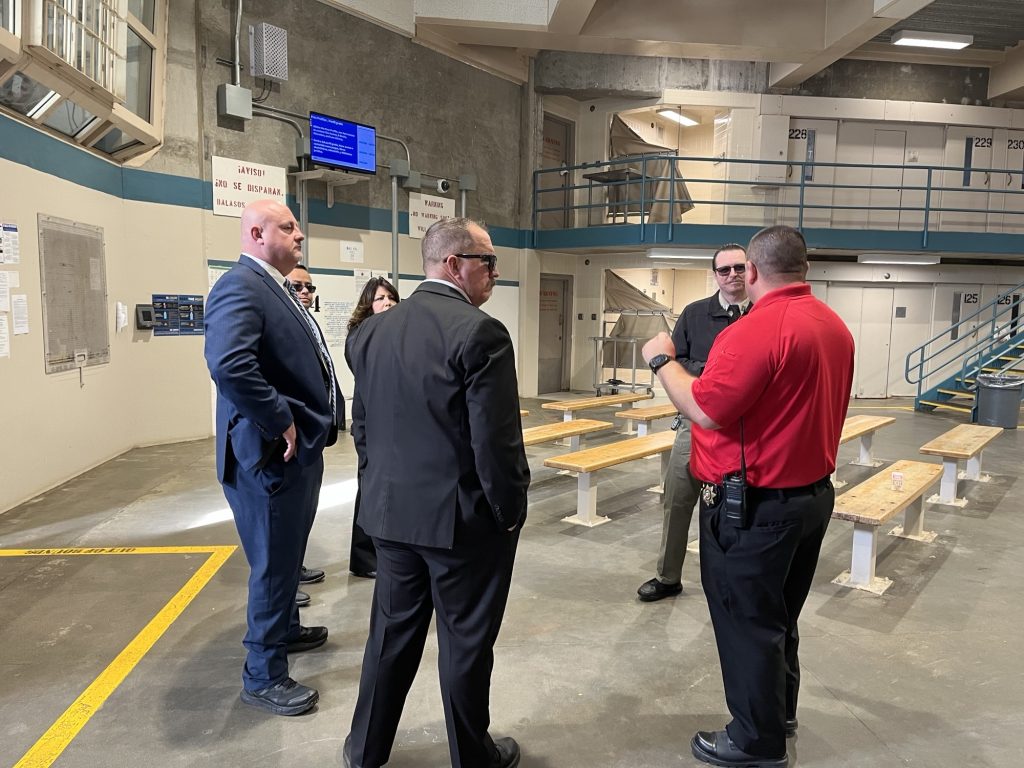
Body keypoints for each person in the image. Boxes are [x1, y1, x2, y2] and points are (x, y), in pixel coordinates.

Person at [642, 225, 854, 768]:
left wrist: (663, 360)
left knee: (746, 622)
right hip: (809, 497)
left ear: (754, 272)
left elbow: (706, 409)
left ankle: (755, 740)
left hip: (755, 505)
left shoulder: (755, 331)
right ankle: (778, 711)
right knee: (779, 615)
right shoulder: (833, 325)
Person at [343, 218, 530, 768]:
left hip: (391, 516)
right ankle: (473, 758)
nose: (495, 272)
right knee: (465, 646)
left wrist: (378, 492)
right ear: (454, 264)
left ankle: (364, 750)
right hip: (461, 526)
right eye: (488, 261)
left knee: (390, 639)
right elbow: (494, 442)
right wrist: (509, 512)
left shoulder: (370, 332)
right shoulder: (480, 332)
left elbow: (364, 428)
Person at [204, 200, 344, 717]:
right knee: (271, 565)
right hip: (269, 454)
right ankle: (263, 675)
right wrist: (281, 418)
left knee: (287, 555)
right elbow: (229, 364)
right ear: (258, 234)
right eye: (289, 227)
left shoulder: (275, 288)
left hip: (294, 452)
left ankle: (284, 629)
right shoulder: (240, 286)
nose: (300, 234)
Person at [637, 244, 749, 602]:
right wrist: (712, 376)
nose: (733, 275)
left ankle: (734, 581)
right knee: (678, 497)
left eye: (739, 268)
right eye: (725, 270)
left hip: (745, 430)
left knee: (740, 506)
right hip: (694, 423)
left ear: (752, 271)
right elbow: (676, 359)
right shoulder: (696, 314)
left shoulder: (762, 314)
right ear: (715, 275)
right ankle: (668, 576)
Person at [344, 275, 402, 579]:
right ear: (368, 304)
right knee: (368, 487)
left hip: (392, 422)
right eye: (380, 298)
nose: (387, 303)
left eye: (391, 298)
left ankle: (382, 553)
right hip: (370, 424)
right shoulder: (360, 336)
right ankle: (365, 558)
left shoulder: (398, 333)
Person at [285, 262, 329, 607]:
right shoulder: (284, 323)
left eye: (309, 287)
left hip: (313, 439)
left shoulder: (308, 322)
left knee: (303, 516)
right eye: (297, 286)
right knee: (284, 522)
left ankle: (293, 568)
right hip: (291, 439)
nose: (305, 293)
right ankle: (283, 589)